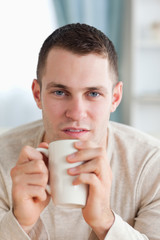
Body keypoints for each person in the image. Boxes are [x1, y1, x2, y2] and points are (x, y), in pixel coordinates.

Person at [0, 23, 160, 240]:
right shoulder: (2, 160)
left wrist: (105, 222)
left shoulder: (151, 165)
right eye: (59, 92)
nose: (76, 113)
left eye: (93, 93)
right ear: (38, 95)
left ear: (115, 97)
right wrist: (19, 223)